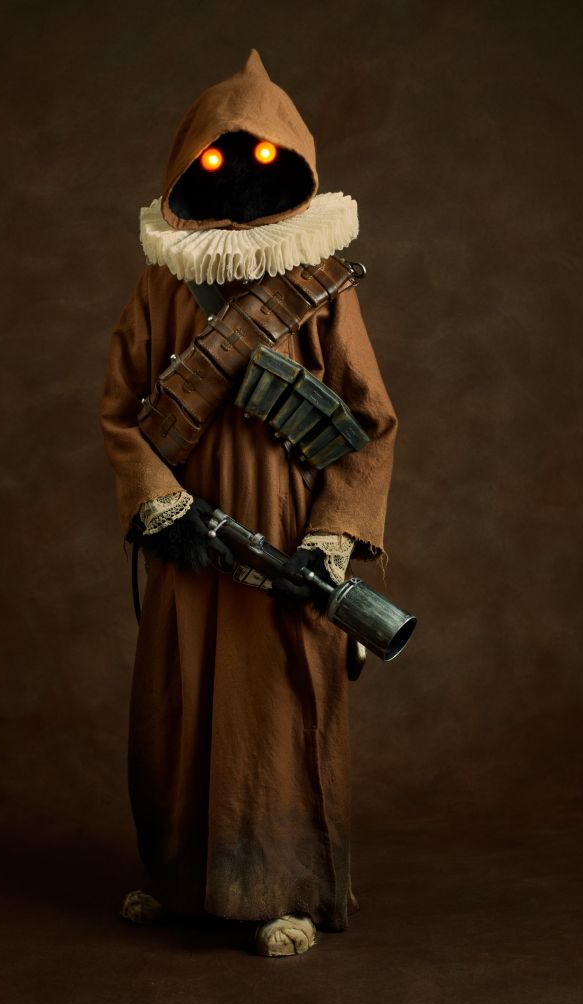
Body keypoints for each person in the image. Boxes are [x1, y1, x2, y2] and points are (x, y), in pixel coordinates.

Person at [100, 49, 397, 957]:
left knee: (280, 713)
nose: (238, 173)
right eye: (220, 156)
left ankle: (286, 888)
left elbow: (369, 422)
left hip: (284, 533)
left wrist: (330, 539)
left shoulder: (320, 285)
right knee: (177, 707)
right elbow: (120, 411)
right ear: (187, 165)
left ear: (294, 162)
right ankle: (179, 879)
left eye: (263, 156)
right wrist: (161, 507)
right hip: (190, 537)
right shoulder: (161, 285)